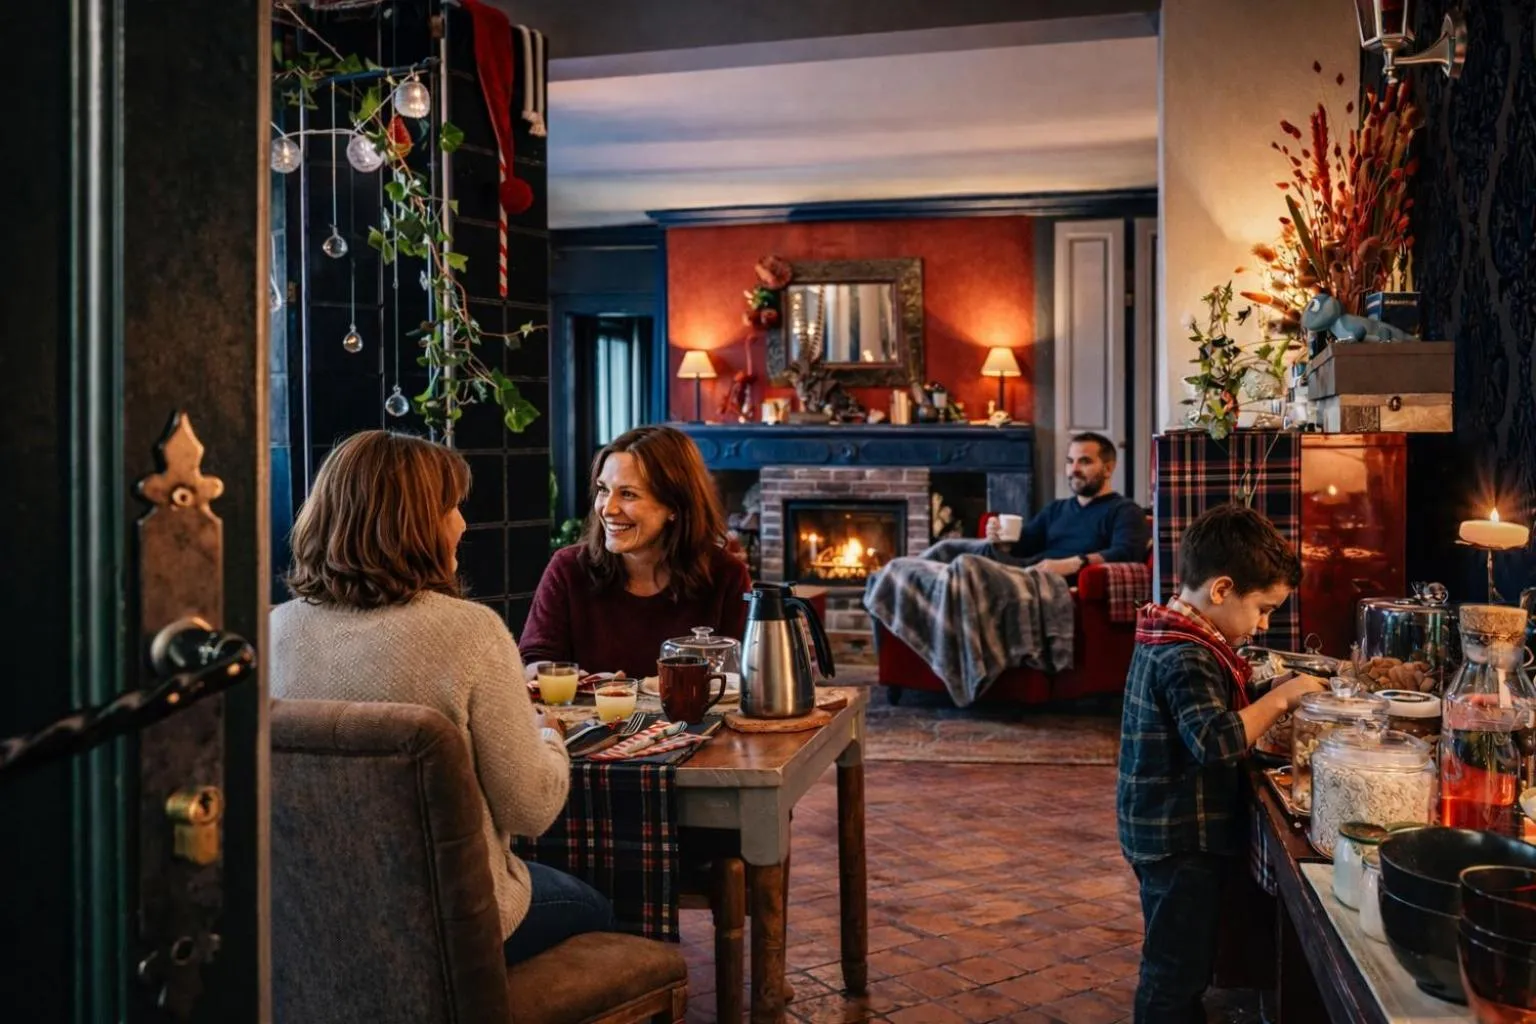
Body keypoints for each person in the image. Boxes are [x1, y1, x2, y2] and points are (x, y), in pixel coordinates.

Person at [269, 430, 613, 966]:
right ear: (413, 524)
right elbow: (530, 809)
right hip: (445, 923)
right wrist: (549, 735)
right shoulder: (469, 633)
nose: (462, 524)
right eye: (452, 507)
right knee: (600, 906)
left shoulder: (275, 631)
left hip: (310, 919)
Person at [1117, 504, 1325, 1022]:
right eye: (1262, 608)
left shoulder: (1181, 632)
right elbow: (1213, 741)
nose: (1263, 624)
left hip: (1165, 826)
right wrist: (1282, 699)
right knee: (1175, 968)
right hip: (1177, 835)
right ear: (1221, 589)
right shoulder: (1184, 653)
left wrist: (1267, 687)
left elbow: (1210, 703)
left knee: (1182, 955)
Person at [519, 425, 754, 680]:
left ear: (674, 506)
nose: (608, 509)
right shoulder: (568, 568)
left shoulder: (726, 575)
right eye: (603, 490)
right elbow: (532, 662)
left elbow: (745, 677)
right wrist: (585, 683)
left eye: (628, 494)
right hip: (590, 719)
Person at [979, 432, 1149, 578]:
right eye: (1070, 461)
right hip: (1027, 572)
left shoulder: (1125, 510)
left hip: (1056, 583)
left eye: (1084, 461)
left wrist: (1074, 563)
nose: (1074, 469)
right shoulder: (1055, 509)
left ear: (1108, 469)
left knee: (968, 570)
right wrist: (1002, 540)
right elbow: (1024, 545)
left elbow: (1126, 552)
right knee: (968, 557)